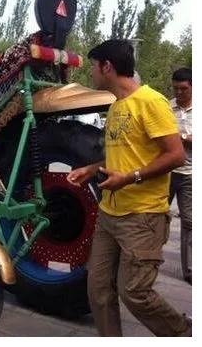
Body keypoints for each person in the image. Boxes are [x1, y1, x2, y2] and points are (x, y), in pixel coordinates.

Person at [66, 39, 190, 337]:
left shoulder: (151, 101)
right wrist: (91, 169)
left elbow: (176, 155)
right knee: (98, 290)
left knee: (134, 292)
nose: (91, 74)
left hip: (142, 217)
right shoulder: (118, 105)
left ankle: (182, 334)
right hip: (109, 214)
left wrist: (130, 178)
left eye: (94, 67)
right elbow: (119, 155)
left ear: (107, 67)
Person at [169, 68, 192, 284]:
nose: (179, 93)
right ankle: (150, 260)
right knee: (156, 217)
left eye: (183, 89)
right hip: (166, 172)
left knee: (190, 222)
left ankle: (190, 271)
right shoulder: (167, 107)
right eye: (176, 88)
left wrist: (182, 137)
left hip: (190, 174)